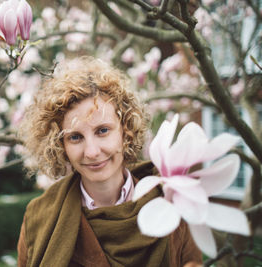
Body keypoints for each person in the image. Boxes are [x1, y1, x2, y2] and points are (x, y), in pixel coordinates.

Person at [17, 56, 202, 267]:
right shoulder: (39, 216)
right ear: (61, 146)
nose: (92, 152)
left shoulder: (172, 200)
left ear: (125, 131)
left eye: (103, 131)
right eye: (75, 137)